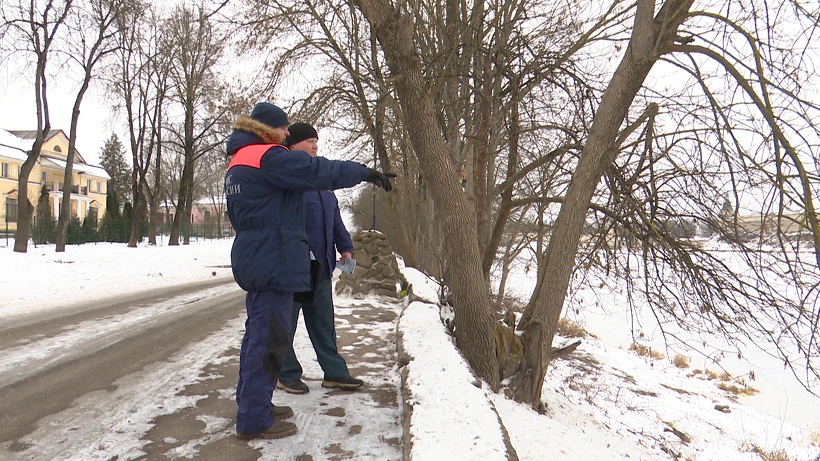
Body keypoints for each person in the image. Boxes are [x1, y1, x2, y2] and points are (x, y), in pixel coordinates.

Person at [225, 102, 394, 440]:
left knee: (259, 336)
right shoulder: (267, 157)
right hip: (273, 257)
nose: (288, 134)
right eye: (284, 128)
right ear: (268, 129)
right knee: (268, 339)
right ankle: (255, 419)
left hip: (259, 254)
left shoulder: (241, 159)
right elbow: (319, 171)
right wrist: (364, 172)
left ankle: (253, 405)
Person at [276, 123, 363, 395]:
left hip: (322, 268)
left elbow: (335, 221)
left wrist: (345, 247)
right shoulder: (289, 180)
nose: (315, 146)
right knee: (285, 324)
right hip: (294, 268)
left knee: (324, 324)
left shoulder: (324, 185)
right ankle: (286, 373)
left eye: (316, 141)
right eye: (309, 141)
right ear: (292, 145)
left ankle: (335, 373)